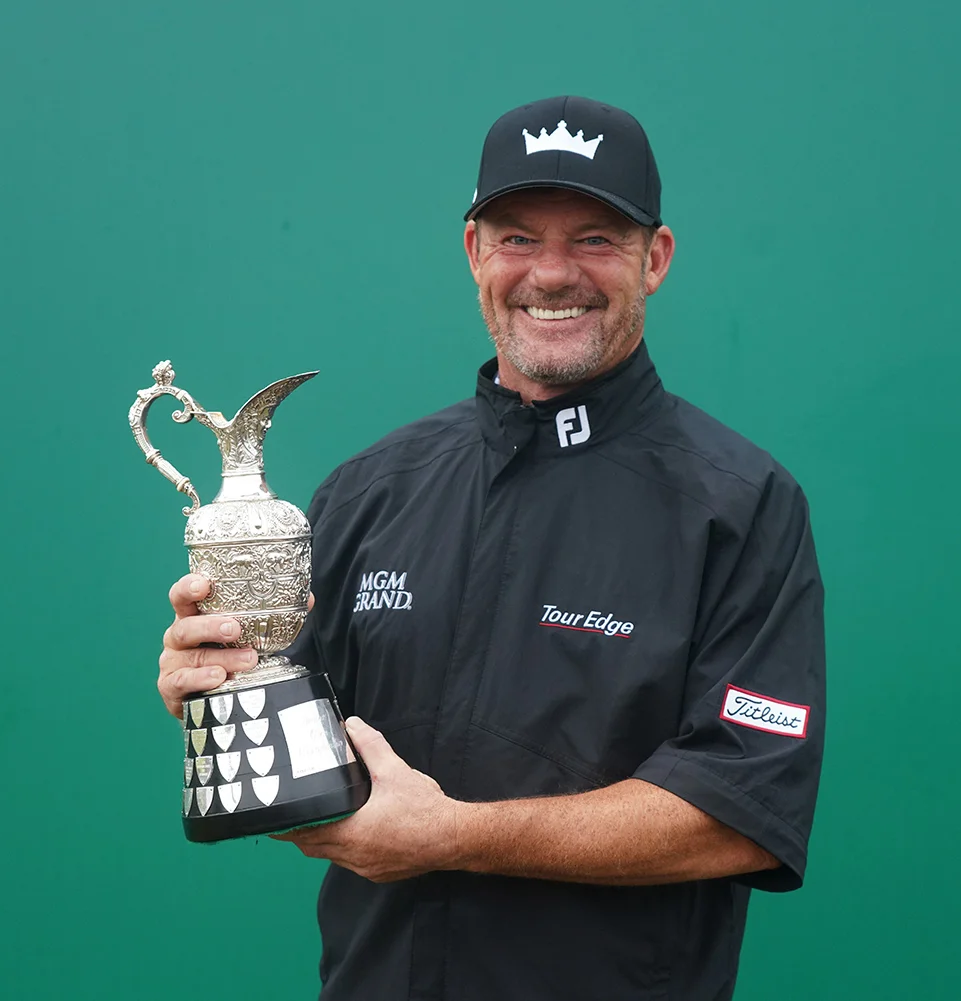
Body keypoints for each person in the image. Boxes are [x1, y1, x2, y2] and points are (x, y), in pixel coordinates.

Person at [155, 95, 826, 1001]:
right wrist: (216, 692)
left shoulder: (739, 505)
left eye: (594, 238)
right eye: (517, 238)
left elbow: (740, 815)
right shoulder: (369, 489)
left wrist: (455, 833)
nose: (552, 274)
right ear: (474, 250)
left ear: (654, 259)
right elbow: (303, 759)